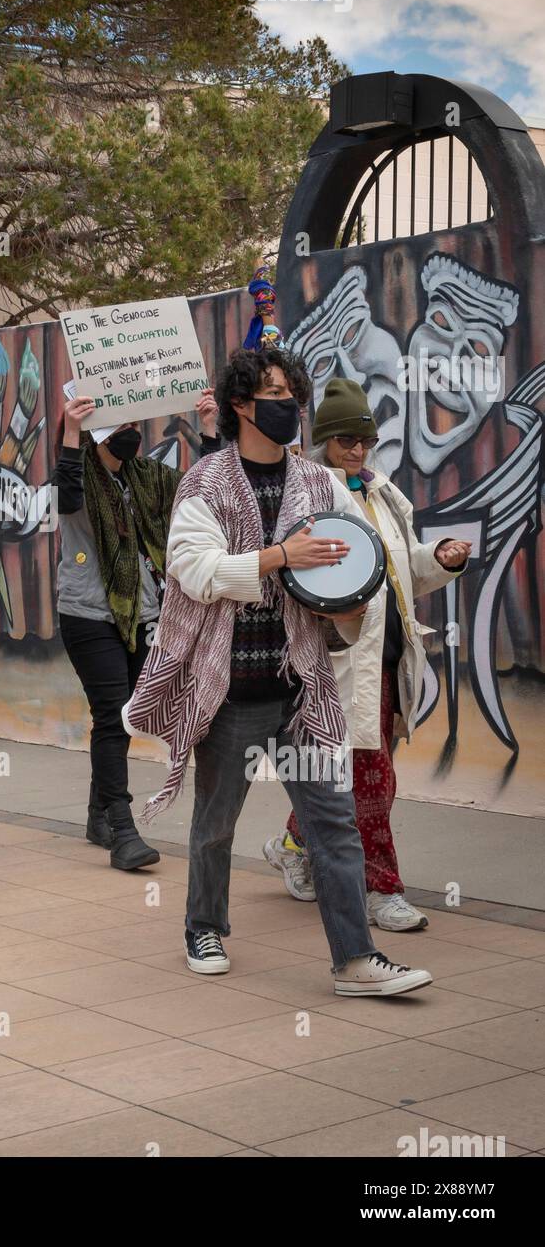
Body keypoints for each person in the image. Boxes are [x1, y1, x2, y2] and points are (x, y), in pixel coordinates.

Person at [124, 347, 433, 998]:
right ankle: (202, 927)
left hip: (301, 690)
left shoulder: (321, 486)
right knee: (215, 822)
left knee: (333, 821)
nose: (288, 404)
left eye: (294, 392)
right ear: (240, 404)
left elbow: (358, 565)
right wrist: (278, 556)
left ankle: (355, 959)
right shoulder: (205, 483)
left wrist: (349, 602)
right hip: (230, 692)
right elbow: (198, 571)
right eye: (274, 392)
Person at [264, 379, 470, 931]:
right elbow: (298, 582)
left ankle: (291, 843)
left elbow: (403, 573)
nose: (357, 449)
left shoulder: (384, 494)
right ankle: (381, 891)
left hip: (386, 663)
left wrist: (442, 559)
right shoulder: (307, 496)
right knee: (372, 782)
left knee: (347, 776)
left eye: (365, 439)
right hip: (337, 667)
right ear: (324, 440)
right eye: (346, 439)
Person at [52, 397, 180, 869]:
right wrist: (70, 430)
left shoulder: (146, 477)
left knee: (125, 718)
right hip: (88, 616)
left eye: (133, 421)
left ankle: (96, 814)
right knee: (110, 716)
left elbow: (198, 496)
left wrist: (210, 432)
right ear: (98, 432)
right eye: (119, 424)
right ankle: (124, 832)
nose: (130, 430)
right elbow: (65, 496)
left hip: (143, 613)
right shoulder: (79, 474)